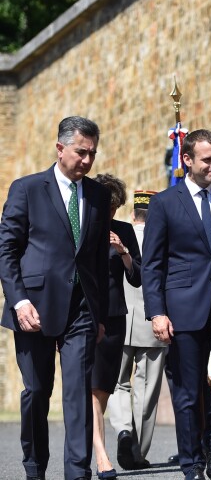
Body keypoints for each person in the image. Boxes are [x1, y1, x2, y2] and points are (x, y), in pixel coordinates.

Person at [0, 116, 111, 480]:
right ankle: (35, 467)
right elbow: (7, 249)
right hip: (34, 308)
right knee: (37, 391)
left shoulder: (97, 195)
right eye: (82, 152)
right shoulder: (27, 189)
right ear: (60, 148)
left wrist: (100, 316)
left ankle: (77, 473)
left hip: (81, 309)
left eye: (93, 154)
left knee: (78, 393)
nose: (88, 161)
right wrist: (18, 301)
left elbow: (96, 259)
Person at [142, 129, 211, 480]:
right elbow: (153, 264)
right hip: (182, 305)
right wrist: (156, 312)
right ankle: (191, 466)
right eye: (207, 159)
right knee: (188, 392)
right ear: (187, 160)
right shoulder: (164, 203)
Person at [108, 189, 166, 471]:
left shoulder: (119, 235)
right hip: (152, 322)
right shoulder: (163, 239)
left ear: (133, 215)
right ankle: (137, 452)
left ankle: (123, 430)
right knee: (146, 389)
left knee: (117, 383)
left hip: (118, 318)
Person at [91, 174, 141, 480]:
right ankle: (101, 456)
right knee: (92, 389)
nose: (109, 213)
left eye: (114, 207)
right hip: (84, 315)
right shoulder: (81, 227)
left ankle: (93, 444)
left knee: (104, 390)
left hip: (114, 316)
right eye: (105, 206)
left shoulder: (123, 230)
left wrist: (123, 251)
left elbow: (137, 276)